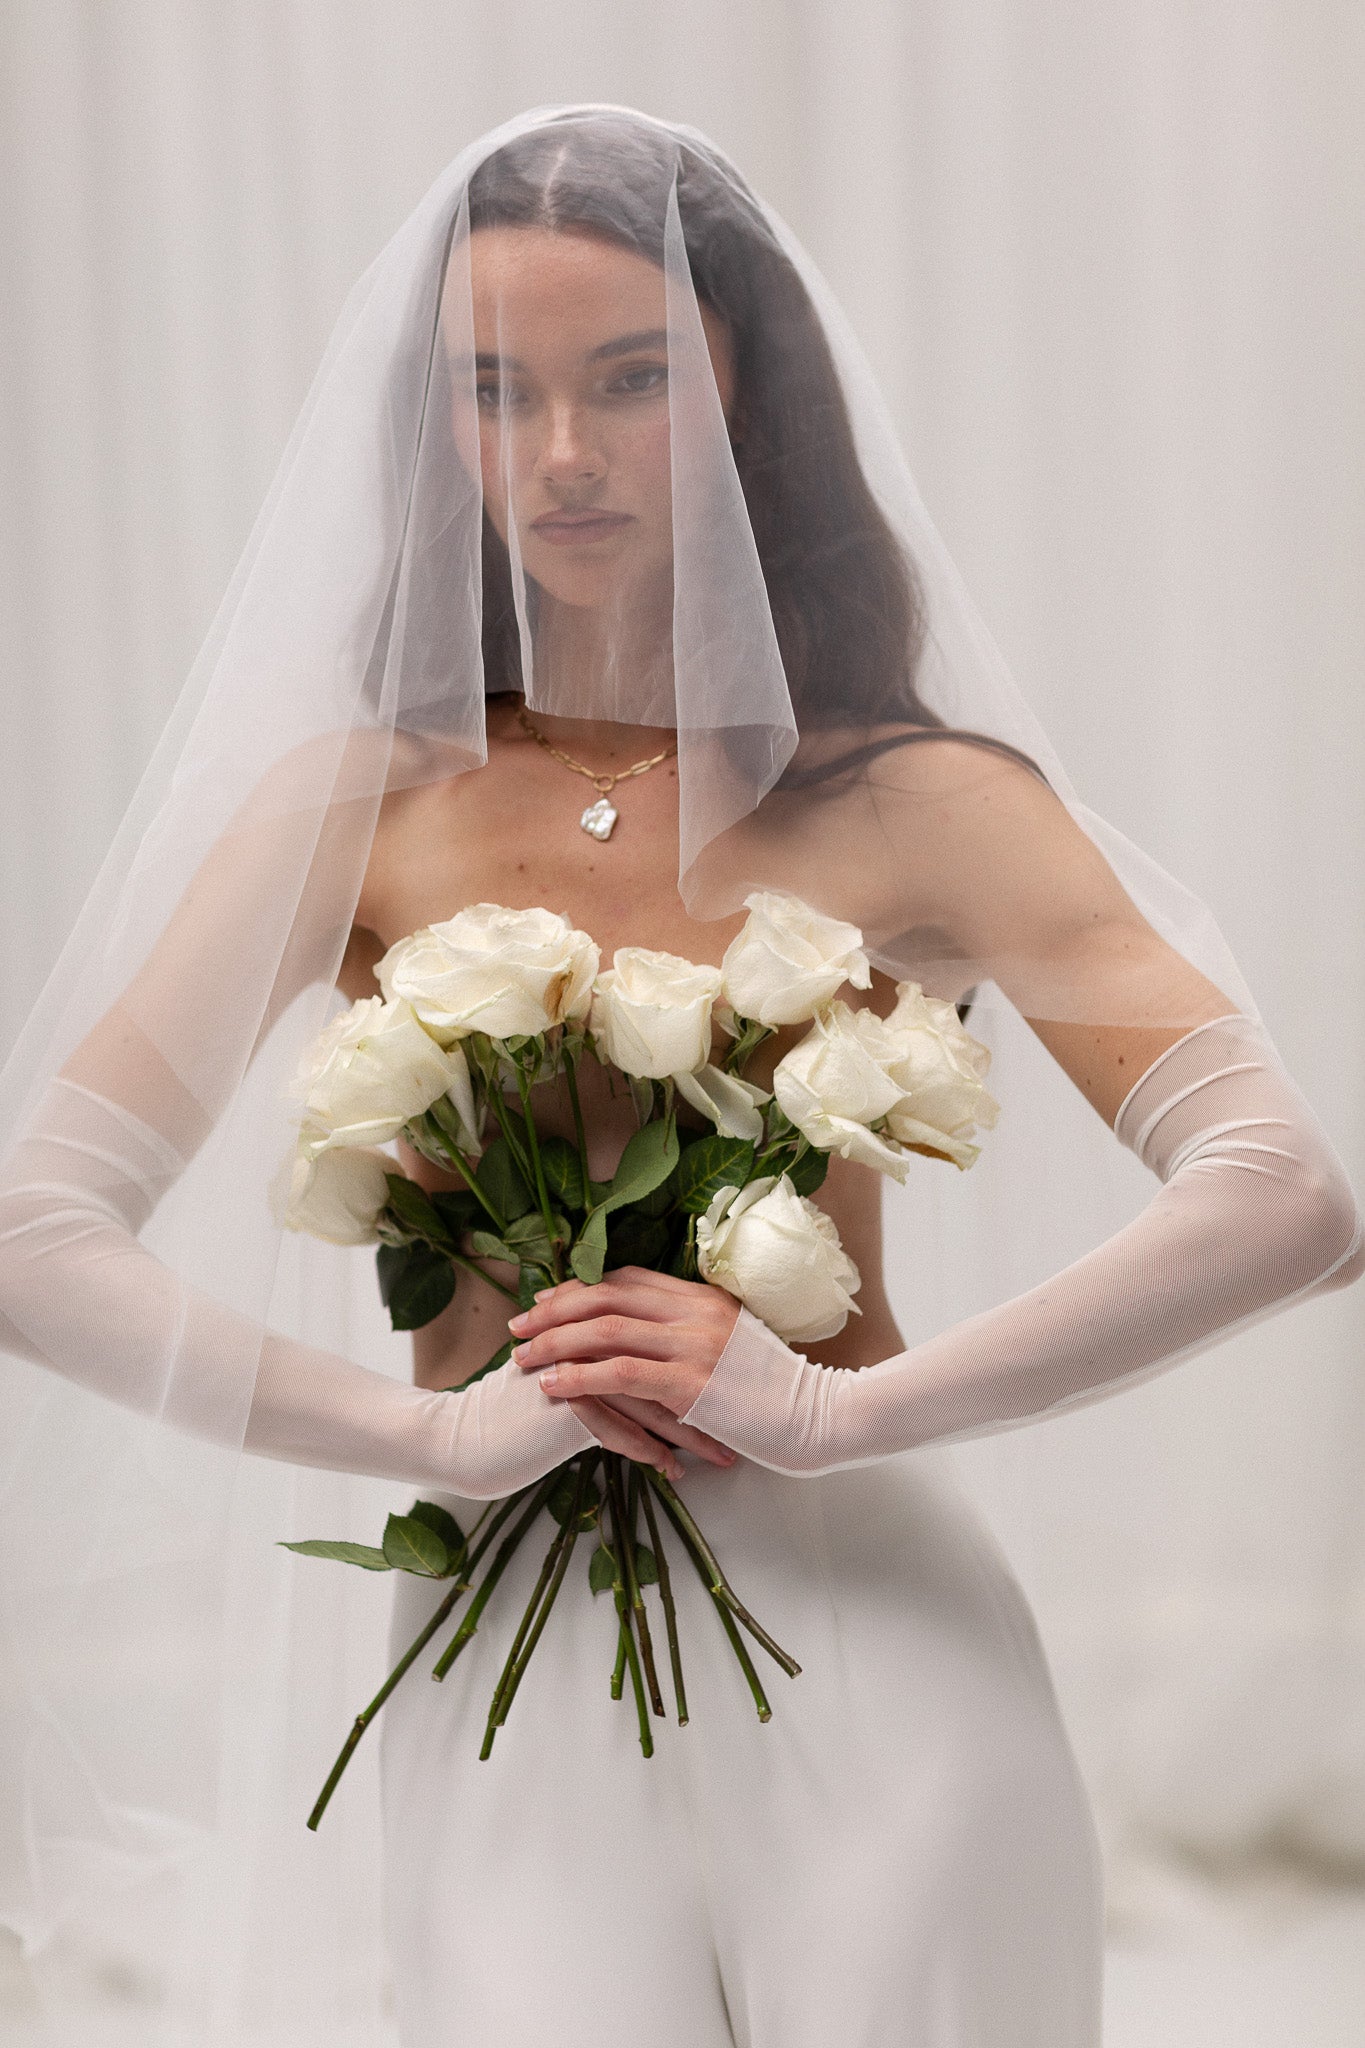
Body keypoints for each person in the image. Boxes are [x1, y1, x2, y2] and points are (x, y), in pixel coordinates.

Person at [0, 105, 1360, 2046]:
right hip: (496, 1653)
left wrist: (827, 1417)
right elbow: (35, 1228)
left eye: (627, 380)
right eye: (496, 391)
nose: (558, 454)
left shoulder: (911, 801)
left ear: (744, 394)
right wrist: (435, 1440)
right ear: (435, 426)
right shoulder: (359, 813)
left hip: (865, 1648)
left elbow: (1284, 1193)